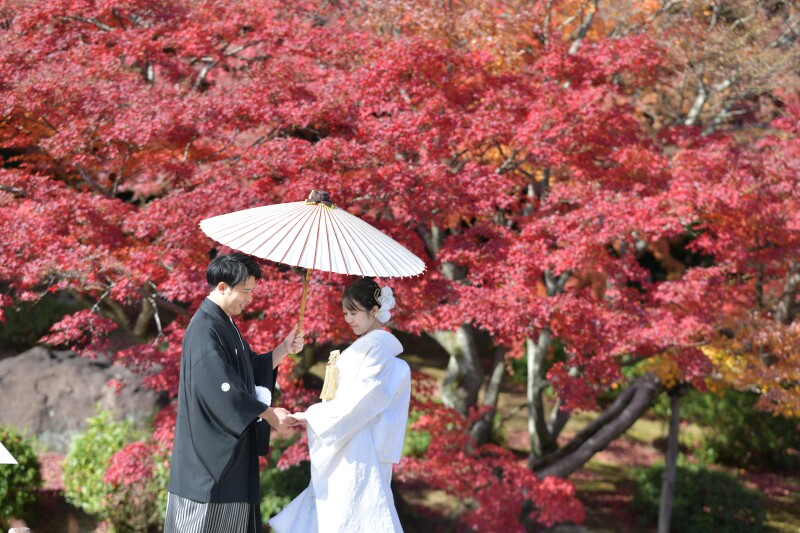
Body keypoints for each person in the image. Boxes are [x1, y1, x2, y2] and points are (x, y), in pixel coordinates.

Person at [164, 252, 303, 533]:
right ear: (223, 287)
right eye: (246, 291)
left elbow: (248, 368)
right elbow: (223, 388)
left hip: (232, 452)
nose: (249, 298)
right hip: (209, 457)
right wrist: (267, 413)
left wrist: (283, 350)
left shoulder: (224, 323)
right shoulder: (204, 328)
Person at [269, 277, 411, 533]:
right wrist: (311, 416)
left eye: (354, 312)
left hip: (359, 445)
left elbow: (364, 400)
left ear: (375, 311)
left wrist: (312, 415)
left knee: (349, 516)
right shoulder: (367, 346)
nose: (348, 319)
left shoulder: (377, 349)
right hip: (350, 441)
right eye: (346, 312)